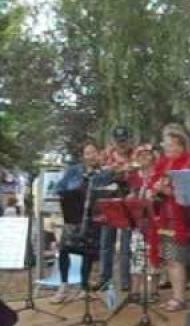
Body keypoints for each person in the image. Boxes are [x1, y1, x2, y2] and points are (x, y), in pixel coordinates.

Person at [50, 140, 110, 304]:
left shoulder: (104, 174)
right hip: (74, 218)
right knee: (64, 250)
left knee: (88, 254)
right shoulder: (74, 171)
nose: (91, 156)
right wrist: (72, 191)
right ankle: (63, 286)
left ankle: (84, 287)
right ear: (83, 156)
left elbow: (111, 193)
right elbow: (58, 188)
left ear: (99, 154)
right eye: (87, 153)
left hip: (93, 219)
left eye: (94, 152)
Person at [148, 124, 190, 312]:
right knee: (169, 258)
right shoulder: (163, 164)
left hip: (180, 219)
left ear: (182, 146)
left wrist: (167, 190)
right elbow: (154, 185)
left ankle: (179, 298)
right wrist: (155, 189)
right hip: (163, 218)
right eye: (167, 145)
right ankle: (177, 295)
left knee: (176, 258)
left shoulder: (188, 163)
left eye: (174, 145)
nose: (170, 148)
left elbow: (188, 194)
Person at [98, 125, 135, 291]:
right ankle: (104, 279)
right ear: (113, 140)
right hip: (109, 202)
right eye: (118, 140)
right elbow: (99, 176)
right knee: (106, 243)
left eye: (124, 140)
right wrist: (113, 171)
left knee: (126, 245)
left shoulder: (135, 154)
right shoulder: (105, 155)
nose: (121, 144)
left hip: (127, 203)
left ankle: (125, 281)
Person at [126, 144, 160, 303]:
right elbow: (129, 194)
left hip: (156, 221)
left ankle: (154, 291)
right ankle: (135, 291)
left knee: (154, 256)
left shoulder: (159, 174)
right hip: (138, 221)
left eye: (147, 154)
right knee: (136, 255)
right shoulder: (133, 175)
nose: (144, 158)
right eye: (140, 155)